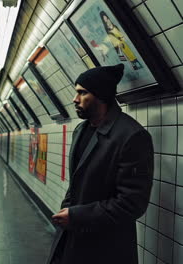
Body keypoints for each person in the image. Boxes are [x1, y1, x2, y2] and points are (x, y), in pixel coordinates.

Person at [46, 64, 153, 264]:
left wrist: (78, 216)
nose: (74, 99)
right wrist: (68, 211)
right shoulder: (81, 130)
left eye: (82, 93)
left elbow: (132, 203)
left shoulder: (132, 136)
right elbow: (77, 182)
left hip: (108, 247)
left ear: (101, 95)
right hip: (74, 237)